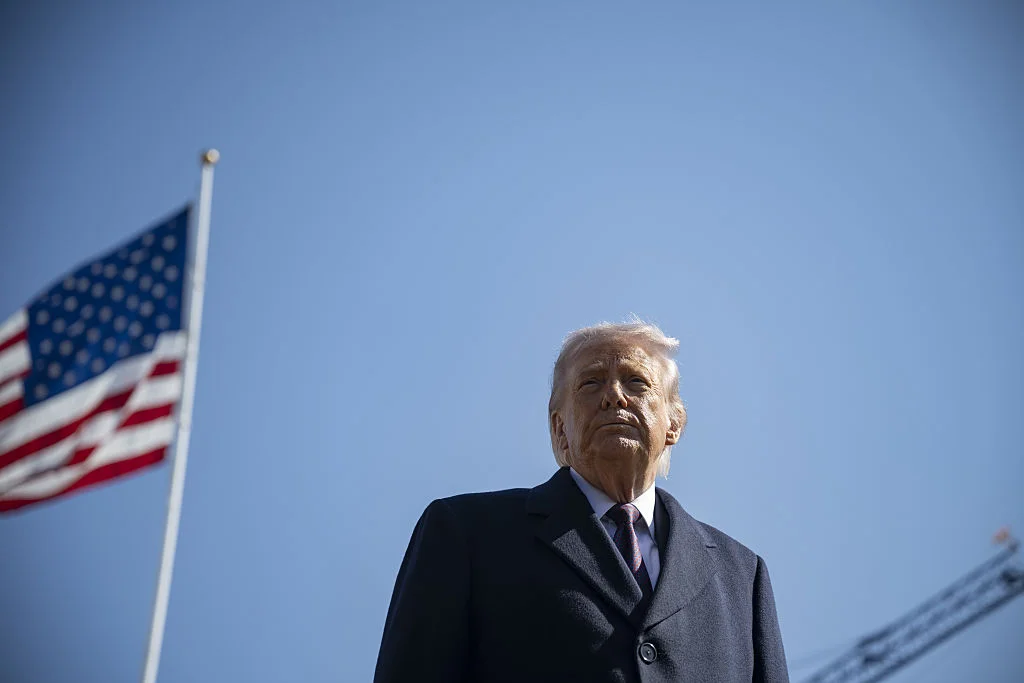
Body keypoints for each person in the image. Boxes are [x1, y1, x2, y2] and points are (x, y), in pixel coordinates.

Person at [374, 321, 789, 682]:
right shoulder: (467, 533)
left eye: (637, 382)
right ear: (560, 429)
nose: (613, 396)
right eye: (591, 383)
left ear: (674, 423)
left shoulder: (741, 575)